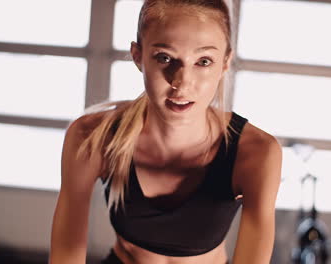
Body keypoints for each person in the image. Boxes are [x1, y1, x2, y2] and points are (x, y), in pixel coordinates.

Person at [49, 0, 282, 263]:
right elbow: (65, 256)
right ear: (138, 56)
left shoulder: (256, 152)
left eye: (203, 61)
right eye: (164, 57)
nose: (181, 83)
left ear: (225, 63)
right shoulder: (92, 135)